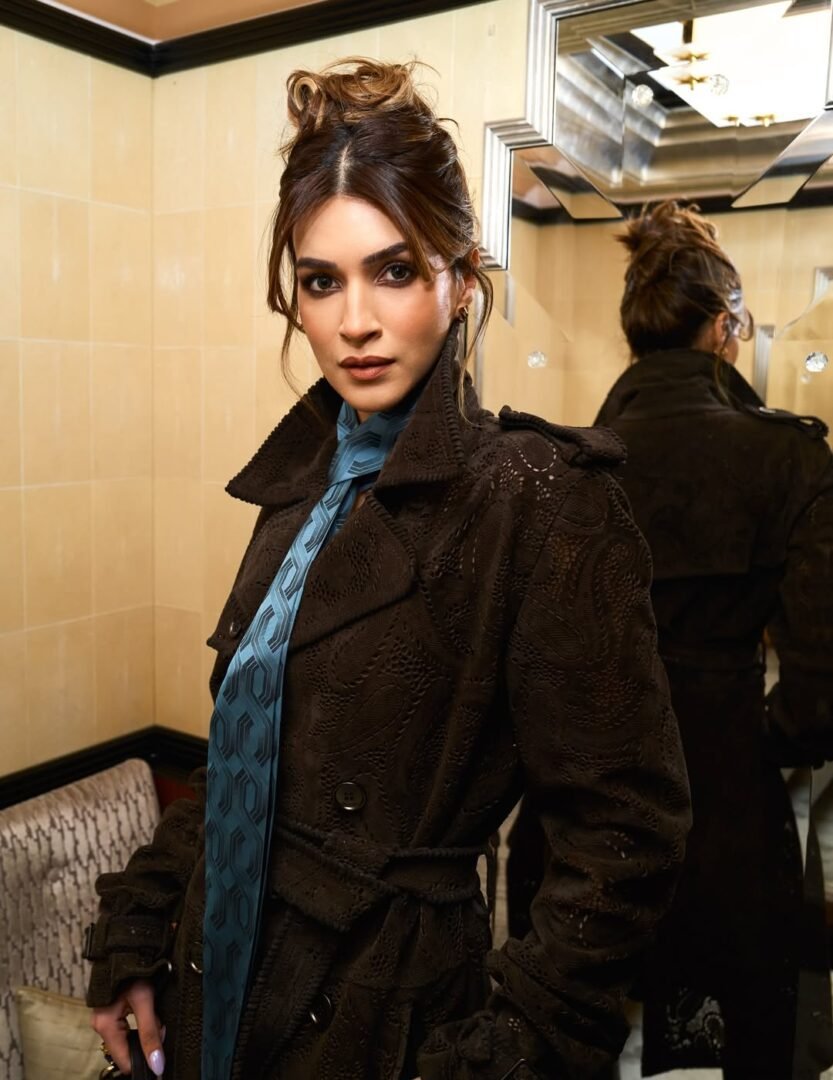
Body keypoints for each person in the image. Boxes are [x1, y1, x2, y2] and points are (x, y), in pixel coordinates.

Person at [85, 61, 691, 1080]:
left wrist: (504, 1050)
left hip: (384, 1022)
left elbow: (626, 835)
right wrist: (139, 935)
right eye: (321, 281)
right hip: (213, 985)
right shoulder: (295, 494)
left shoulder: (536, 497)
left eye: (394, 271)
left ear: (460, 281)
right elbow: (243, 765)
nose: (353, 320)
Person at [508, 200, 833, 1078]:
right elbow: (820, 697)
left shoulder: (560, 467)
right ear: (724, 328)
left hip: (574, 825)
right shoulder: (790, 459)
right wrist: (747, 739)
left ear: (635, 333)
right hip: (725, 822)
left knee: (567, 1044)